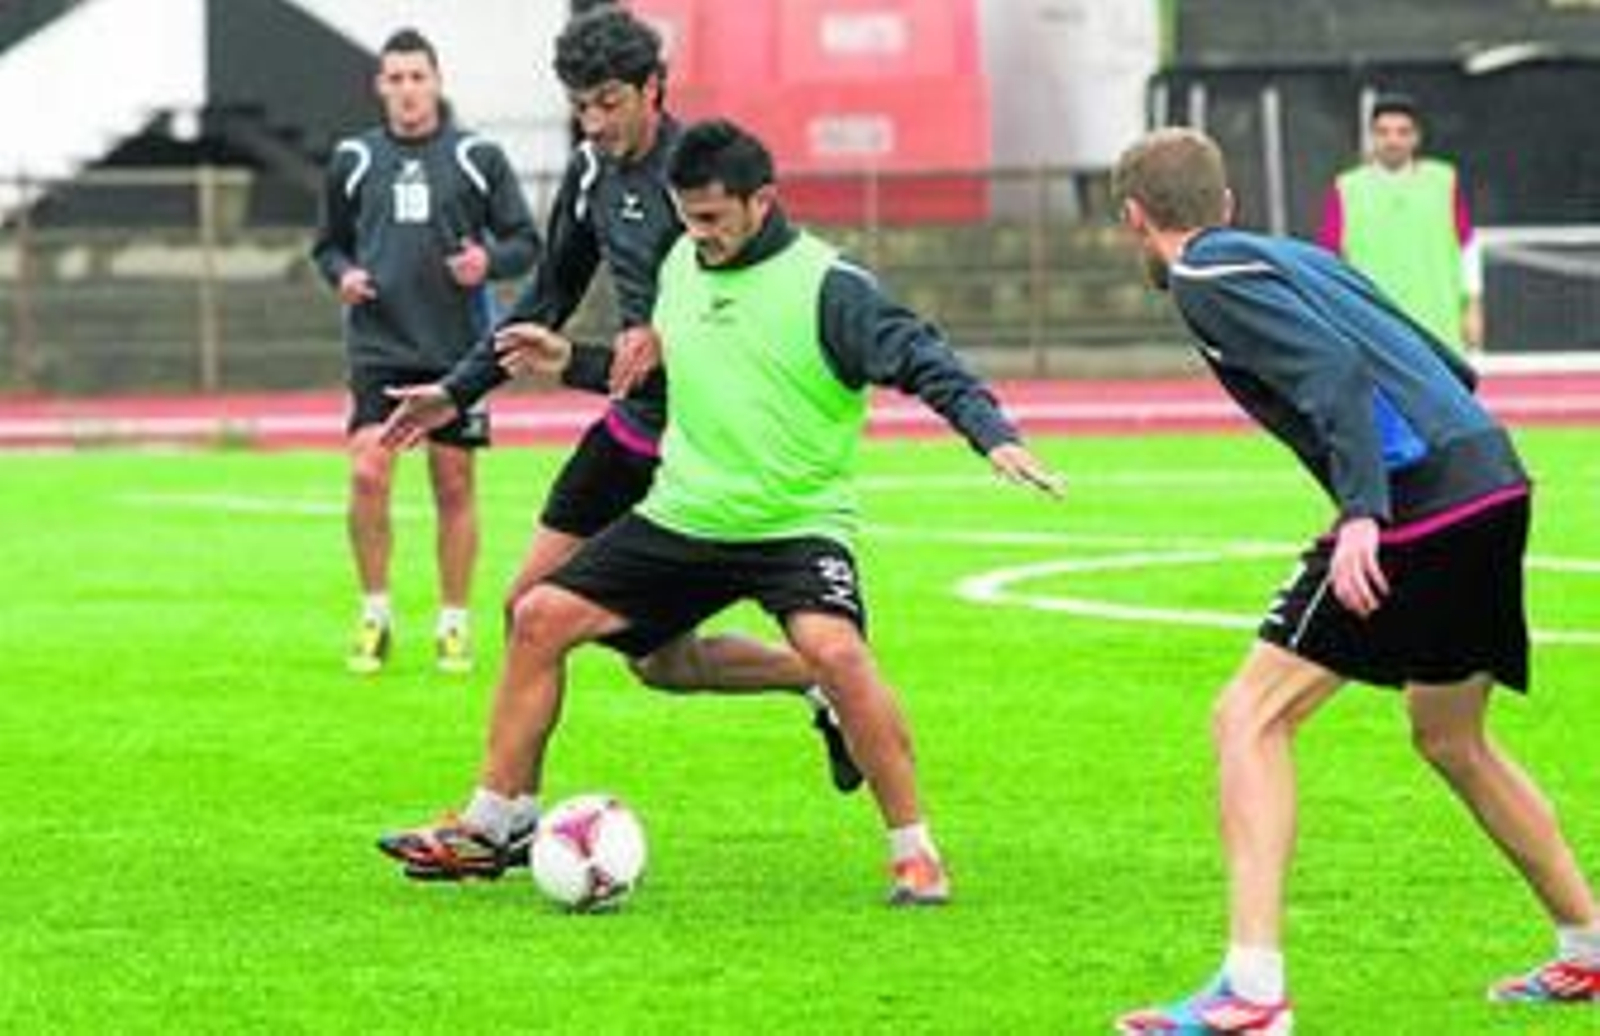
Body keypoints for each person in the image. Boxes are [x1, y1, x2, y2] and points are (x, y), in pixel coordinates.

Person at [376, 118, 1063, 905]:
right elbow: (673, 376)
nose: (695, 234)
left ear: (761, 202)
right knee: (542, 617)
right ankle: (496, 820)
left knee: (836, 652)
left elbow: (926, 359)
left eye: (710, 218)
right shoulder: (680, 265)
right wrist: (571, 362)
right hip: (684, 516)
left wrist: (992, 436)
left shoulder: (828, 286)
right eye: (685, 215)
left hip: (794, 525)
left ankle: (915, 852)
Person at [1112, 127, 1599, 1033]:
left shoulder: (1205, 278)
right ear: (1227, 204)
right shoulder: (1297, 258)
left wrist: (1366, 511)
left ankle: (1252, 995)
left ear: (1134, 217)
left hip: (1419, 505)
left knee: (1249, 717)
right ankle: (1590, 952)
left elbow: (1332, 372)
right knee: (1451, 737)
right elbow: (1445, 363)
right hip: (1489, 479)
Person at [379, 5, 863, 816]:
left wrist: (668, 332)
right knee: (560, 623)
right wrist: (454, 391)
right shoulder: (591, 171)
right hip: (628, 426)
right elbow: (548, 297)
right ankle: (507, 817)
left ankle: (497, 818)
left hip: (704, 445)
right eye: (580, 105)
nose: (594, 122)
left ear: (653, 89)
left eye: (609, 102)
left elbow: (764, 290)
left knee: (632, 654)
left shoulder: (705, 173)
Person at [311, 27, 538, 675]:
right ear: (380, 86)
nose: (408, 90)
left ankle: (453, 622)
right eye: (396, 78)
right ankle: (375, 614)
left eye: (418, 77)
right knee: (366, 473)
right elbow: (326, 245)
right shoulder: (353, 158)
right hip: (379, 345)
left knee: (453, 482)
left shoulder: (477, 156)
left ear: (437, 82)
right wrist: (343, 276)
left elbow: (525, 240)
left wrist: (486, 261)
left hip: (457, 350)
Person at [1317, 93, 1484, 353]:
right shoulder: (1346, 188)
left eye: (1402, 132)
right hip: (1372, 331)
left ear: (1416, 137)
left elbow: (1468, 247)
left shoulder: (1444, 181)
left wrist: (1473, 306)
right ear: (1371, 138)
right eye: (1383, 132)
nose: (1393, 140)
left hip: (1439, 329)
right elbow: (1327, 262)